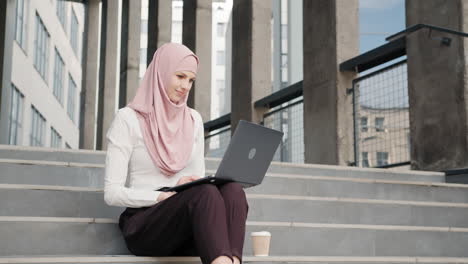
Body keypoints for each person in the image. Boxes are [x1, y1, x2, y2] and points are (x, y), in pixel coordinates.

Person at [104, 43, 249, 264]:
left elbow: (199, 182)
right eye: (180, 76)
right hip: (145, 224)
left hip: (187, 226)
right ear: (161, 73)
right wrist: (163, 195)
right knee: (205, 194)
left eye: (191, 80)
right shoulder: (128, 119)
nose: (185, 86)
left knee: (233, 190)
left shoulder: (193, 119)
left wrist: (186, 185)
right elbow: (112, 193)